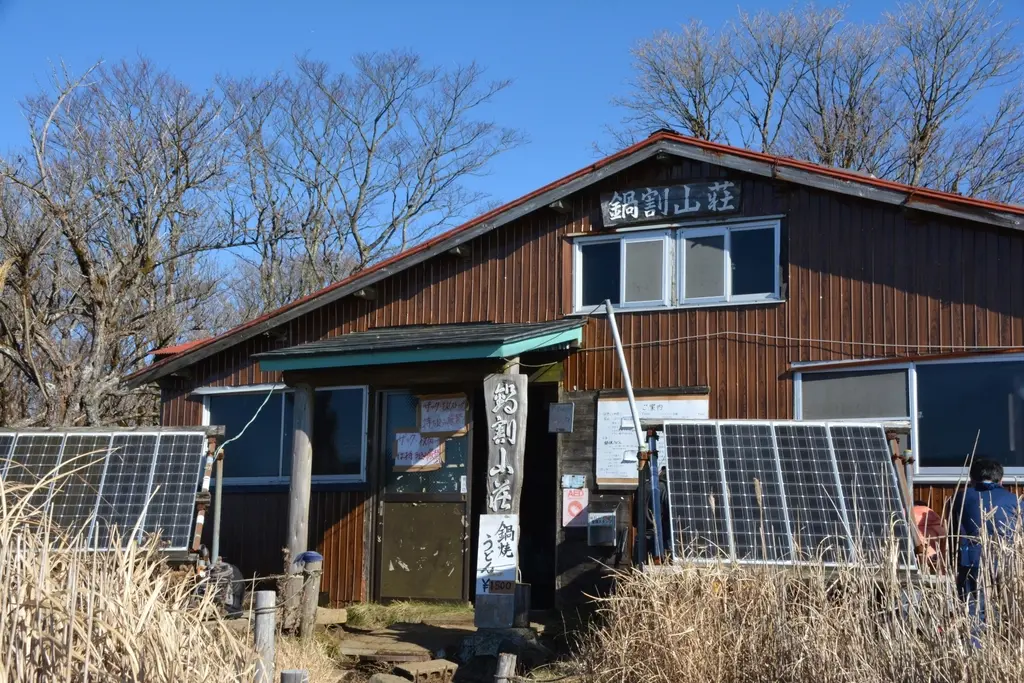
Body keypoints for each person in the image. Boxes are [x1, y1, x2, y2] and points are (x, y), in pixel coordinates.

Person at [948, 457, 1023, 628]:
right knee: (1008, 612)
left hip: (971, 561)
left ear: (972, 479)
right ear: (1001, 480)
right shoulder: (1016, 501)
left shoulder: (960, 498)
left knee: (973, 611)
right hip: (1009, 564)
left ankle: (975, 647)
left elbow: (953, 531)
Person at [633, 465, 670, 564]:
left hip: (641, 540)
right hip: (660, 541)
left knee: (639, 574)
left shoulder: (641, 487)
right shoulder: (665, 488)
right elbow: (668, 515)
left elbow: (634, 521)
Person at [912, 500, 947, 571]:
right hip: (936, 551)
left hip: (918, 551)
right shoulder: (933, 516)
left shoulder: (911, 512)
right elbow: (943, 533)